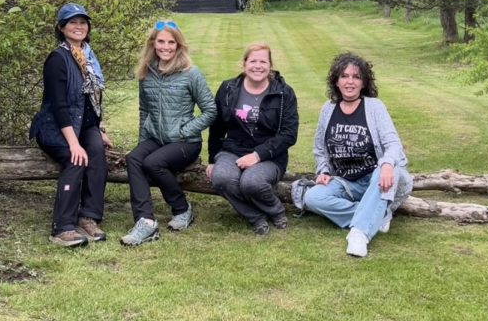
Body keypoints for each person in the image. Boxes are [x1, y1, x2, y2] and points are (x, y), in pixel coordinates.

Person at [302, 52, 412, 257]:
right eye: (344, 76)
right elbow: (320, 149)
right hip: (346, 183)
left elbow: (393, 144)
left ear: (364, 83)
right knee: (312, 197)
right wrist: (323, 170)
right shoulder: (328, 109)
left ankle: (359, 234)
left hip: (377, 180)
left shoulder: (374, 107)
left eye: (356, 77)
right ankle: (377, 214)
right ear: (336, 81)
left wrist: (387, 164)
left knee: (387, 169)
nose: (350, 82)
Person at [120, 19, 217, 246]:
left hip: (185, 142)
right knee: (134, 159)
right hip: (156, 138)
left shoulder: (191, 73)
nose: (166, 47)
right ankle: (145, 221)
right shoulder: (146, 73)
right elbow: (144, 110)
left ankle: (182, 209)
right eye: (161, 42)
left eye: (171, 42)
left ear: (179, 45)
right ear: (153, 44)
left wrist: (185, 130)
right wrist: (142, 142)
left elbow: (211, 110)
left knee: (153, 163)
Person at [29, 2, 111, 247]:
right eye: (72, 22)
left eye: (83, 22)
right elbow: (60, 106)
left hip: (84, 126)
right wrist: (74, 144)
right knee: (77, 159)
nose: (79, 26)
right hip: (55, 128)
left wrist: (100, 129)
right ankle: (62, 227)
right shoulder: (58, 59)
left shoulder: (89, 56)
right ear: (61, 27)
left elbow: (92, 100)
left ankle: (88, 217)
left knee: (97, 153)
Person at [206, 43, 299, 235]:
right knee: (222, 178)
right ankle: (255, 216)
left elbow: (289, 134)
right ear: (244, 63)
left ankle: (276, 210)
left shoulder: (284, 93)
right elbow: (216, 127)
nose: (258, 66)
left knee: (251, 182)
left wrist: (257, 155)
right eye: (253, 61)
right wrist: (212, 159)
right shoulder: (228, 88)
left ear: (270, 65)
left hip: (270, 155)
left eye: (263, 62)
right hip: (233, 150)